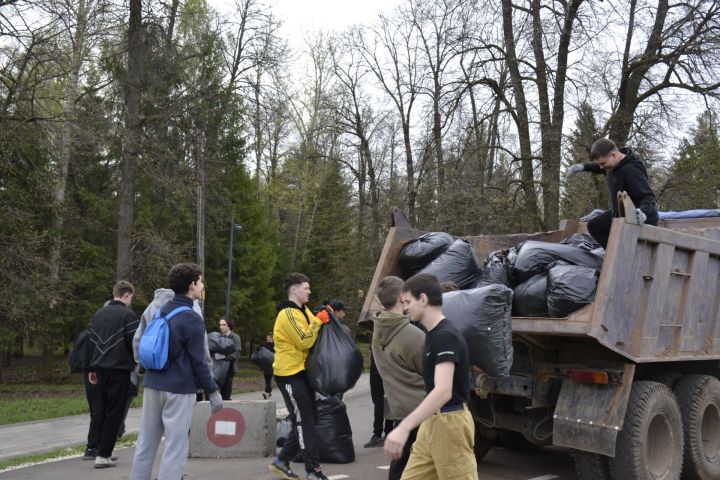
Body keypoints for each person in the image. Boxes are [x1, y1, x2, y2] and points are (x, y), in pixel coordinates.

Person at [130, 263, 222, 480]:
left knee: (146, 442)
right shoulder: (192, 317)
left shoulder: (160, 309)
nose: (202, 286)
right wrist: (213, 391)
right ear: (192, 285)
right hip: (179, 388)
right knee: (175, 445)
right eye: (200, 281)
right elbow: (199, 361)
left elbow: (141, 341)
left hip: (153, 383)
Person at [384, 273, 478, 480]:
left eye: (408, 301)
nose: (405, 308)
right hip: (432, 422)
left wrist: (404, 428)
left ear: (423, 299)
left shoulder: (445, 336)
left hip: (451, 423)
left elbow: (443, 391)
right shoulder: (432, 335)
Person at [268, 272, 330, 480]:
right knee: (304, 421)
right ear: (293, 290)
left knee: (307, 419)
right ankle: (313, 470)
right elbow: (304, 340)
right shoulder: (287, 314)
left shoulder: (302, 310)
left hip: (301, 372)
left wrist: (321, 318)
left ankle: (281, 461)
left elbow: (316, 330)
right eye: (306, 287)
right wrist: (318, 322)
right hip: (289, 374)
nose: (309, 291)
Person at [372, 276, 426, 480]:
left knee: (401, 466)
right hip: (423, 411)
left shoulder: (378, 329)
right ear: (403, 298)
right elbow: (434, 374)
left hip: (401, 410)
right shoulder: (412, 335)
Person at [566, 137, 659, 248]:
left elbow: (648, 196)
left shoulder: (632, 170)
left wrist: (643, 213)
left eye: (603, 163)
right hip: (621, 213)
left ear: (613, 155)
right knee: (595, 226)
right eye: (599, 164)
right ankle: (614, 254)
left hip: (640, 216)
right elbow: (599, 167)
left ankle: (621, 256)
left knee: (624, 239)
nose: (601, 167)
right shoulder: (613, 163)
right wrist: (583, 167)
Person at [86, 281, 139, 468]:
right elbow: (134, 342)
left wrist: (91, 368)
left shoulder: (98, 314)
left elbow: (90, 342)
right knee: (115, 413)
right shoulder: (128, 315)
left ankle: (100, 449)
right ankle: (104, 455)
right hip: (119, 369)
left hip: (98, 369)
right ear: (126, 295)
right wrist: (138, 362)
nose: (131, 300)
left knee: (100, 411)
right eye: (131, 296)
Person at [217, 317, 242, 400]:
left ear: (229, 326)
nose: (221, 327)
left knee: (226, 393)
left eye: (224, 325)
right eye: (220, 325)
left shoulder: (235, 337)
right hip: (218, 367)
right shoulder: (218, 336)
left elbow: (237, 353)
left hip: (229, 367)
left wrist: (225, 357)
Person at [262, 332, 275, 399]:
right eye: (267, 337)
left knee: (269, 378)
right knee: (266, 378)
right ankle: (269, 392)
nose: (267, 338)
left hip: (272, 364)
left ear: (272, 338)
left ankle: (266, 393)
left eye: (268, 337)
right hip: (265, 364)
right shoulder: (265, 345)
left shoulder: (275, 345)